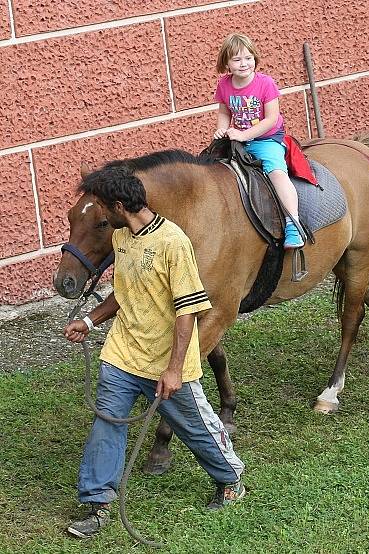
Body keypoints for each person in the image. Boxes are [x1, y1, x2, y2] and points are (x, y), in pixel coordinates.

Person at [63, 166, 245, 539]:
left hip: (164, 359)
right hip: (122, 353)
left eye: (101, 209)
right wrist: (91, 320)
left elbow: (187, 309)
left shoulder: (172, 242)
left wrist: (175, 368)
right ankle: (98, 503)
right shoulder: (121, 237)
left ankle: (231, 479)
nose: (101, 217)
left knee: (194, 426)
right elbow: (125, 291)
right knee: (107, 421)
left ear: (117, 206)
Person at [213, 33, 305, 250]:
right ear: (226, 63)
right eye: (236, 59)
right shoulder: (224, 84)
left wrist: (245, 135)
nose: (244, 64)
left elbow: (271, 119)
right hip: (238, 139)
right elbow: (224, 112)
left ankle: (294, 224)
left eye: (248, 58)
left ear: (255, 58)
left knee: (276, 172)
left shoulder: (265, 84)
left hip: (266, 139)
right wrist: (222, 129)